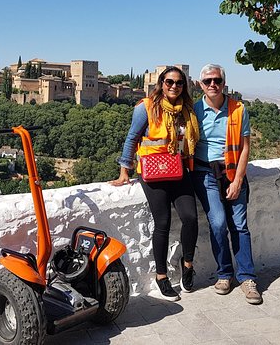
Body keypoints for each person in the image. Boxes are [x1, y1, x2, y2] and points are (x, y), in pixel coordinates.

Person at [110, 66, 199, 301]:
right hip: (153, 173)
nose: (174, 86)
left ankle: (187, 265)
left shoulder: (186, 110)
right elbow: (132, 137)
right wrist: (124, 171)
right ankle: (162, 276)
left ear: (184, 86)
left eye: (179, 83)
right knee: (163, 222)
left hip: (179, 170)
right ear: (161, 83)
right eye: (169, 82)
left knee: (190, 217)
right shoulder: (146, 107)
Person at [192, 64, 262, 305]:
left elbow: (245, 147)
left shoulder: (238, 110)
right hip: (204, 173)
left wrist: (238, 179)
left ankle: (247, 278)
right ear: (201, 84)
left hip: (232, 171)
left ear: (224, 83)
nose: (213, 84)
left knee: (240, 226)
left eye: (217, 80)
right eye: (208, 81)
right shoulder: (194, 110)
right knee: (219, 223)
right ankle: (224, 273)